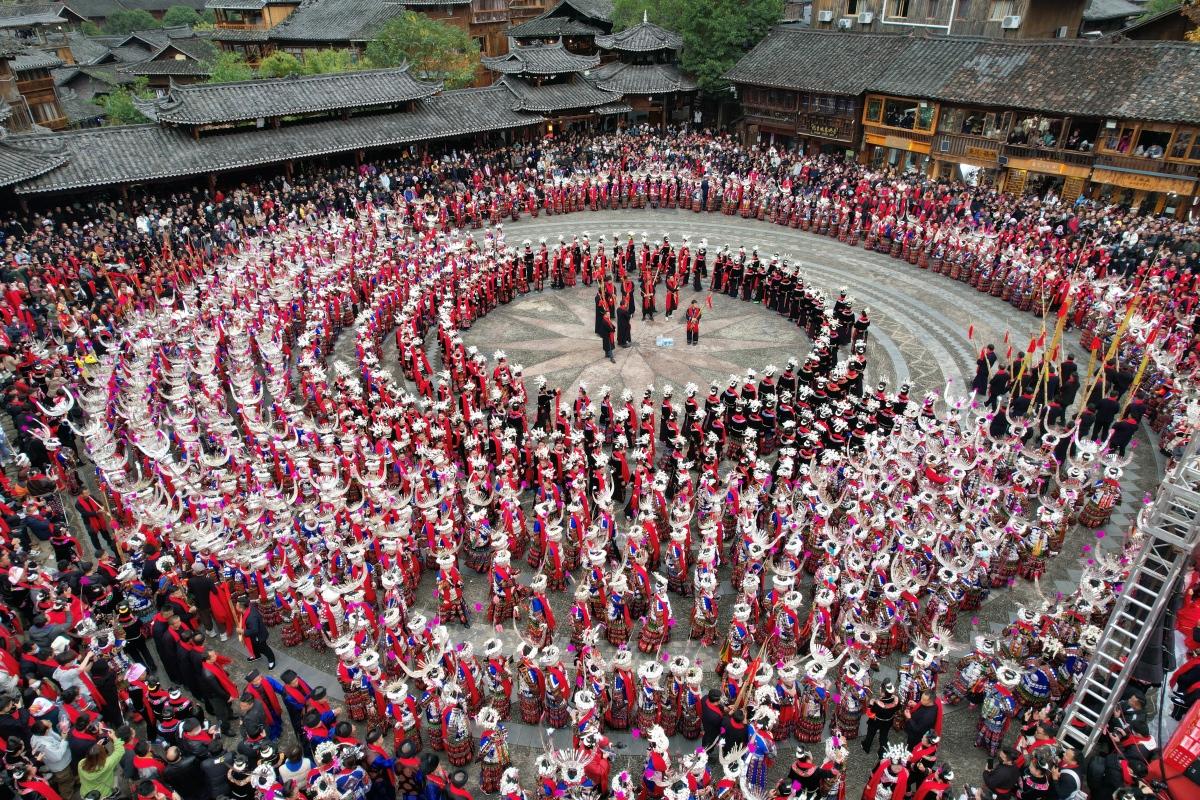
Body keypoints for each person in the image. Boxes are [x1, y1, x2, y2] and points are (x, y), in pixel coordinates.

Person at [77, 734, 126, 798]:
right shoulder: (106, 765)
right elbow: (120, 750)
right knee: (114, 778)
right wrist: (114, 736)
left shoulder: (81, 763)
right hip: (103, 793)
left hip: (87, 793)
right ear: (102, 755)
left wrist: (97, 747)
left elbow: (94, 756)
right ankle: (114, 793)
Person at [234, 596, 275, 669]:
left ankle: (271, 659)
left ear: (241, 608)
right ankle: (257, 656)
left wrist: (242, 631)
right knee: (254, 647)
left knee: (264, 649)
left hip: (258, 637)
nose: (235, 606)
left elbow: (254, 630)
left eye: (237, 605)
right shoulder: (247, 609)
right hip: (252, 637)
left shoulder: (251, 618)